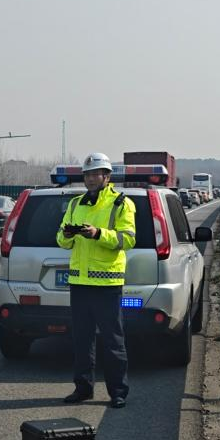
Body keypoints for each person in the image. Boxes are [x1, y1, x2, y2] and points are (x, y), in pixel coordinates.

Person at [56, 151, 136, 408]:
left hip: (107, 285)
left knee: (113, 341)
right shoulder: (75, 203)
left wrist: (98, 234)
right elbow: (61, 240)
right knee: (81, 340)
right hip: (79, 283)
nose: (90, 179)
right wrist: (69, 234)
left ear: (107, 176)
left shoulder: (121, 203)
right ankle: (83, 389)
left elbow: (128, 239)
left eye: (95, 174)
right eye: (87, 175)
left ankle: (118, 392)